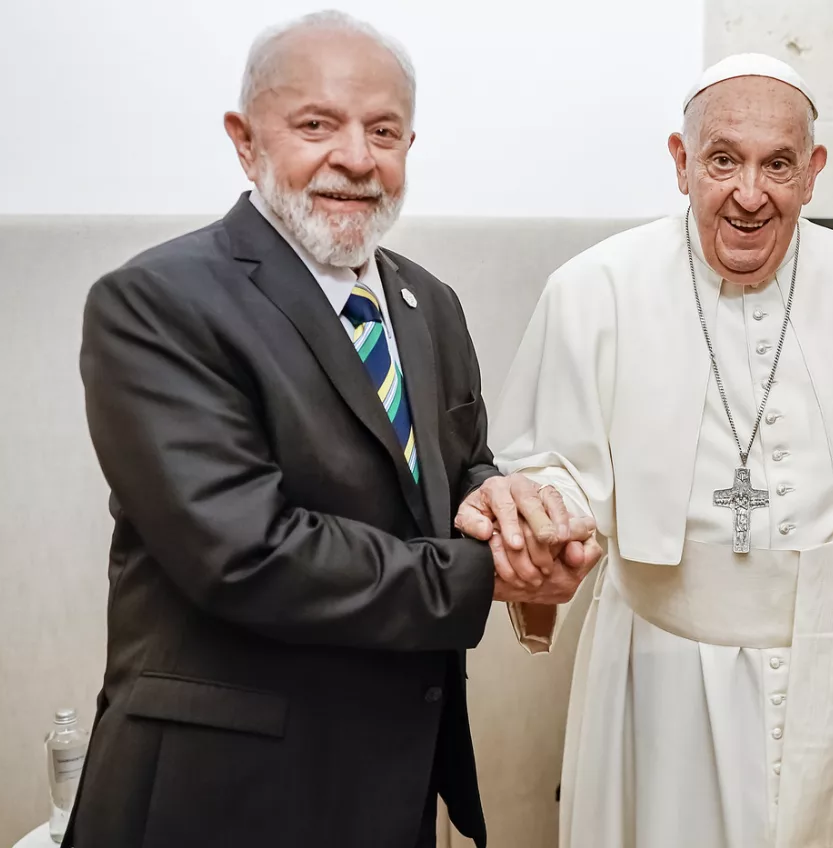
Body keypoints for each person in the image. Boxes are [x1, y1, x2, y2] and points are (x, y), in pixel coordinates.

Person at [67, 11, 597, 848]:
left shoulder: (431, 305)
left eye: (382, 130)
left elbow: (455, 469)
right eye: (317, 124)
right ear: (245, 141)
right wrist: (485, 576)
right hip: (222, 798)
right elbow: (248, 554)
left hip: (393, 789)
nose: (356, 157)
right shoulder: (157, 303)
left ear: (409, 148)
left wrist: (509, 511)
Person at [468, 53, 833, 848]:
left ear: (814, 171)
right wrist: (545, 518)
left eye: (778, 165)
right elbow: (551, 468)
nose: (750, 194)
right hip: (664, 680)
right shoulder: (595, 290)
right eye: (723, 160)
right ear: (681, 163)